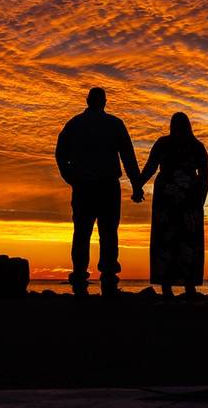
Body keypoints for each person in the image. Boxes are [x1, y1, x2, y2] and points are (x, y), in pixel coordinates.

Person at [55, 87, 143, 297]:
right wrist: (136, 185)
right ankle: (107, 272)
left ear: (87, 101)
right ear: (104, 102)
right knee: (107, 231)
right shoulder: (113, 124)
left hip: (86, 186)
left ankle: (81, 272)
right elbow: (128, 157)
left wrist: (71, 177)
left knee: (83, 231)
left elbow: (60, 154)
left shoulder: (75, 124)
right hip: (104, 186)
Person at [135, 112, 208, 298]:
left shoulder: (171, 144)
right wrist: (138, 185)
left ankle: (176, 286)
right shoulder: (196, 146)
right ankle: (184, 286)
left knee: (173, 240)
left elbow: (151, 167)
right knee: (175, 240)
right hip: (179, 198)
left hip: (179, 198)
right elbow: (205, 177)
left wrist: (138, 185)